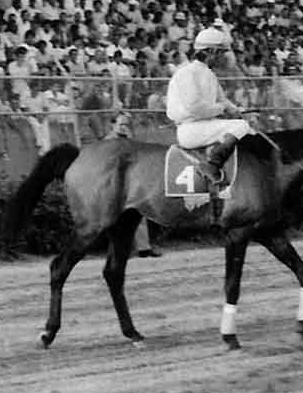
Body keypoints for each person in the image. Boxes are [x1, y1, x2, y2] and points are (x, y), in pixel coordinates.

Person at [165, 21, 253, 220]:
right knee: (240, 127)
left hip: (205, 126)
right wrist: (224, 111)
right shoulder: (187, 73)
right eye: (220, 52)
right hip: (190, 129)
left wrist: (239, 111)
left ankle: (235, 184)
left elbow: (222, 100)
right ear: (210, 51)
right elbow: (195, 108)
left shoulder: (209, 74)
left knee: (246, 127)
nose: (222, 57)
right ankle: (212, 165)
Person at [106, 112, 160, 258]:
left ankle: (144, 248)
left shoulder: (129, 140)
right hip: (113, 185)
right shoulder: (107, 142)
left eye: (126, 124)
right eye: (121, 124)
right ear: (113, 125)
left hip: (131, 184)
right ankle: (121, 250)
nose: (124, 127)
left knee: (142, 211)